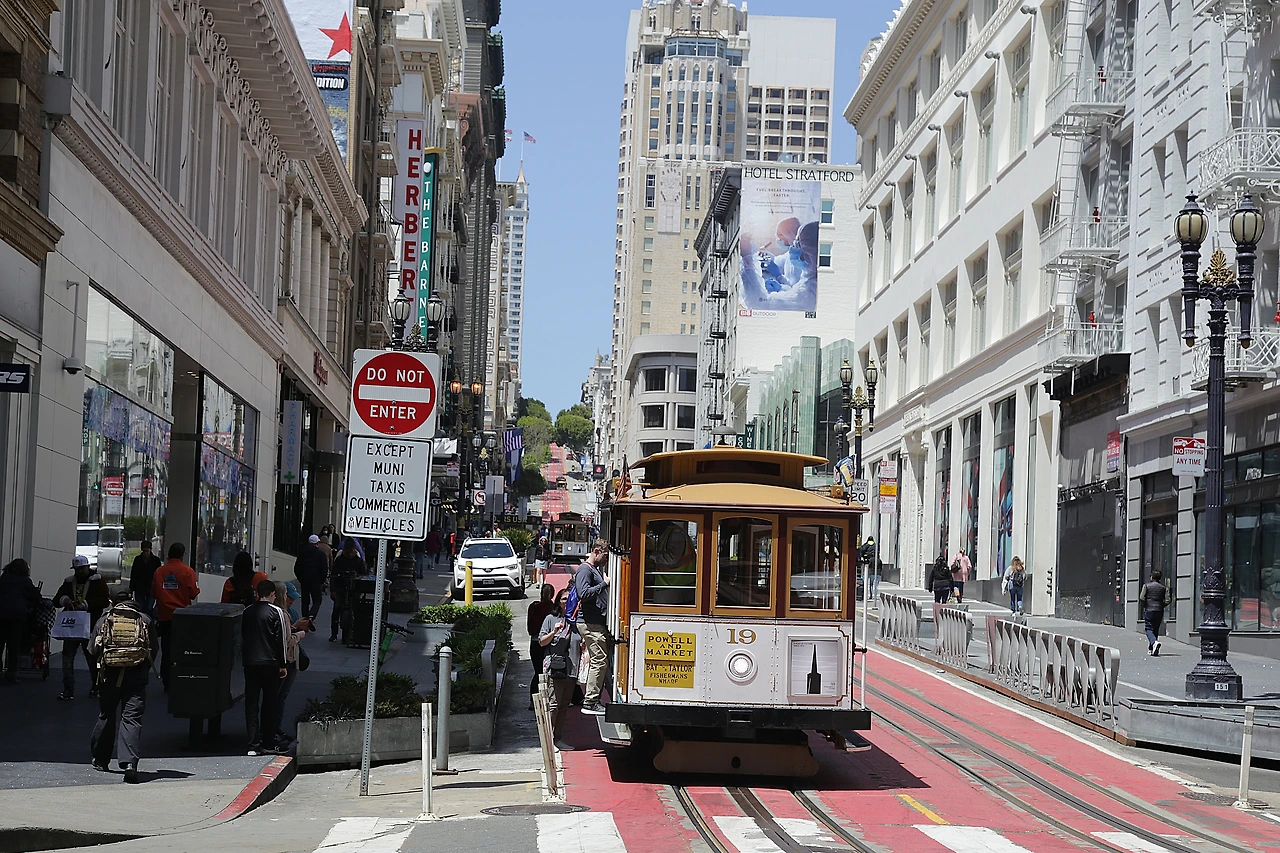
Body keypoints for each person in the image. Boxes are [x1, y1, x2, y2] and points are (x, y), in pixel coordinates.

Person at [88, 594, 158, 782]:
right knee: (131, 718)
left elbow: (92, 650)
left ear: (112, 602)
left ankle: (101, 759)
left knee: (106, 714)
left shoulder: (104, 619)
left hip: (108, 676)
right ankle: (129, 763)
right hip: (136, 677)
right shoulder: (144, 620)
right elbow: (154, 649)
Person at [242, 579, 288, 755]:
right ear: (273, 594)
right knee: (270, 703)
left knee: (251, 702)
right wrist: (282, 664)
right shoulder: (277, 612)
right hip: (270, 662)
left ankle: (252, 744)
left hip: (251, 661)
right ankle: (268, 741)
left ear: (257, 593)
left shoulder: (247, 611)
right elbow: (280, 640)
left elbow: (244, 636)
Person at [55, 555, 110, 700]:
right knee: (73, 658)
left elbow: (105, 601)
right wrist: (65, 600)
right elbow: (56, 600)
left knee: (91, 658)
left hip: (85, 625)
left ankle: (94, 686)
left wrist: (85, 605)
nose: (79, 571)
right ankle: (70, 688)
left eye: (82, 568)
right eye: (77, 569)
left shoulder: (97, 581)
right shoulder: (70, 582)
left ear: (88, 567)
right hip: (78, 625)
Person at [538, 586, 582, 751]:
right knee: (554, 704)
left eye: (570, 598)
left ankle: (558, 738)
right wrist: (554, 632)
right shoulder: (551, 619)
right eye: (564, 598)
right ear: (558, 602)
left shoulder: (576, 620)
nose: (567, 601)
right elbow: (542, 642)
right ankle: (548, 741)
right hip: (556, 667)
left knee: (564, 705)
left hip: (572, 668)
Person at [151, 542, 199, 692]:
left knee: (167, 649)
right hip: (183, 616)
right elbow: (194, 593)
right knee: (183, 649)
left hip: (165, 616)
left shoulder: (159, 572)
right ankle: (180, 678)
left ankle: (167, 681)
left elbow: (154, 593)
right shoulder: (188, 571)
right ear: (182, 555)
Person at [574, 538, 611, 715]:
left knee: (600, 660)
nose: (606, 560)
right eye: (605, 556)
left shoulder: (592, 569)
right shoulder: (585, 570)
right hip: (589, 622)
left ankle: (593, 699)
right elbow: (583, 593)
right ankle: (590, 701)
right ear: (596, 551)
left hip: (593, 622)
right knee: (599, 660)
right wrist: (604, 584)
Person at [272, 581, 309, 746]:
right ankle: (272, 729)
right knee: (276, 696)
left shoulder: (290, 612)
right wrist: (298, 632)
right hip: (283, 659)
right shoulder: (278, 613)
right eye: (289, 597)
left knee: (281, 696)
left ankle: (276, 728)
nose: (291, 600)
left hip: (291, 659)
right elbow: (286, 638)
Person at [0, 559, 42, 684]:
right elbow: (35, 597)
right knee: (14, 646)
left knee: (0, 643)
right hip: (17, 616)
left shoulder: (4, 578)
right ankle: (11, 674)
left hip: (1, 614)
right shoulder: (25, 581)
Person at [329, 539, 366, 643]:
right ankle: (334, 634)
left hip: (354, 589)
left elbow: (364, 574)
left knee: (354, 611)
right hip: (340, 588)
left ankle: (352, 633)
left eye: (351, 552)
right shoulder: (339, 560)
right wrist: (333, 590)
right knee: (336, 610)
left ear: (355, 550)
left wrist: (357, 576)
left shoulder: (359, 561)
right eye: (347, 552)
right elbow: (333, 575)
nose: (349, 554)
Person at [526, 583, 556, 709]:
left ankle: (533, 701)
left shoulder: (533, 607)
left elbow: (530, 628)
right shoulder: (552, 608)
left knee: (538, 672)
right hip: (548, 642)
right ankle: (549, 698)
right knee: (551, 672)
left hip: (534, 642)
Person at [293, 534, 329, 620]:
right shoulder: (321, 554)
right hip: (316, 580)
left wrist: (300, 578)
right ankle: (311, 616)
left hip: (304, 580)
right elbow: (324, 569)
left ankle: (304, 618)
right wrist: (322, 580)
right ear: (317, 543)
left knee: (305, 601)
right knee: (317, 600)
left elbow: (297, 567)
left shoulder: (302, 553)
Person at [128, 539, 162, 615]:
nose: (146, 553)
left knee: (149, 608)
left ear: (150, 550)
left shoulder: (156, 560)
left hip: (151, 587)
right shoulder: (138, 559)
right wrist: (132, 587)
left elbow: (158, 575)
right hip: (140, 587)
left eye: (147, 551)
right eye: (144, 551)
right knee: (141, 608)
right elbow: (134, 574)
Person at [1142, 569, 1171, 656]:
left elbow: (1142, 597)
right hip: (1159, 611)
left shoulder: (1146, 586)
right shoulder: (1164, 588)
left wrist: (1145, 605)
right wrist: (1161, 605)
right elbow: (1168, 600)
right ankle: (1152, 649)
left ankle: (1154, 643)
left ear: (1152, 577)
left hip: (1149, 609)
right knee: (1155, 629)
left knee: (1148, 628)